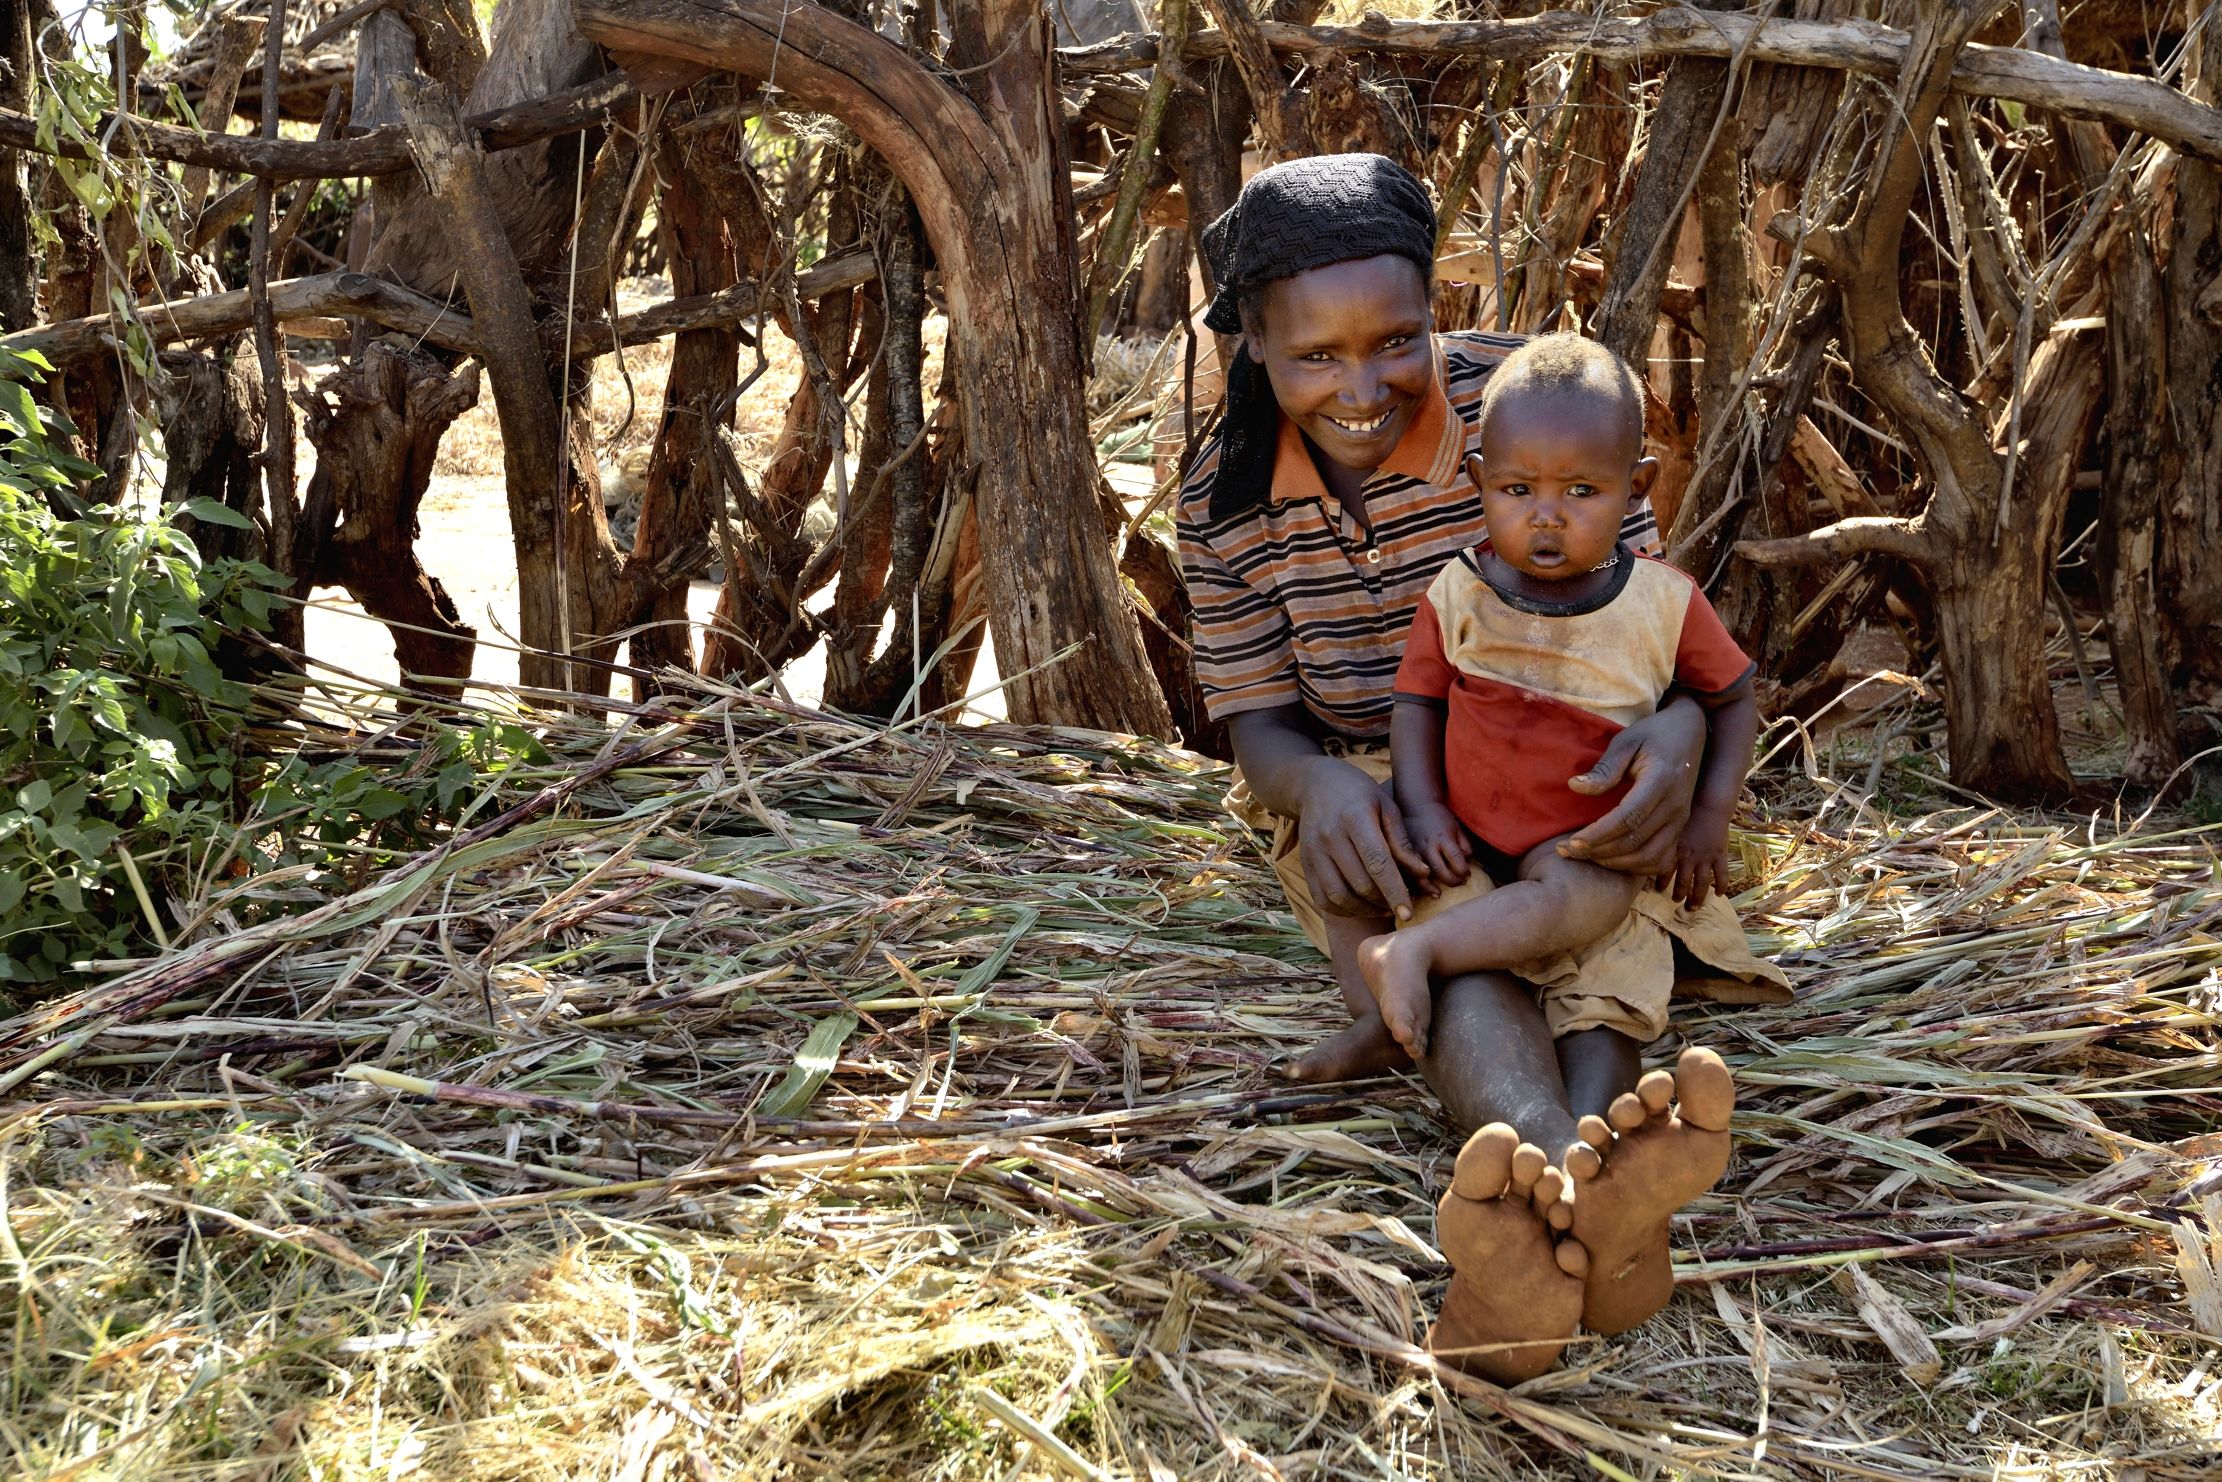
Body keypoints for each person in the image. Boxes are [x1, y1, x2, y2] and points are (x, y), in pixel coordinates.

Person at [1174, 154, 1789, 1383]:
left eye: (1396, 339)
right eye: (1313, 356)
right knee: (1450, 939)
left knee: (1594, 936)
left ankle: (1549, 1202)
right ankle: (1576, 1176)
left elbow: (1655, 624)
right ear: (1251, 344)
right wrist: (1322, 788)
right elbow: (1256, 727)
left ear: (1434, 314)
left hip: (1580, 776)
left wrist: (1673, 738)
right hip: (1391, 793)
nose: (1362, 385)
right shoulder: (1226, 500)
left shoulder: (1539, 413)